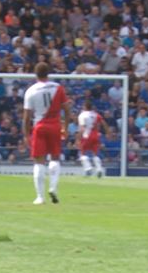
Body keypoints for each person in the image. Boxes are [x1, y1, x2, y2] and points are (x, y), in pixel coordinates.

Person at [22, 62, 67, 204]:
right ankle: (53, 187)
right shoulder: (58, 88)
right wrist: (65, 126)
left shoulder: (31, 90)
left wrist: (26, 135)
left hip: (40, 127)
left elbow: (27, 117)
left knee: (38, 161)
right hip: (55, 126)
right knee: (55, 158)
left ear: (36, 74)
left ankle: (40, 197)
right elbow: (67, 110)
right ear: (48, 73)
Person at [76, 100, 106, 177]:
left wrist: (78, 138)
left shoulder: (82, 115)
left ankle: (88, 168)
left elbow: (82, 128)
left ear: (85, 107)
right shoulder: (95, 114)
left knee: (82, 153)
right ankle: (99, 169)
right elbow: (103, 123)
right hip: (96, 135)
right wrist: (108, 132)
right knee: (95, 154)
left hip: (86, 135)